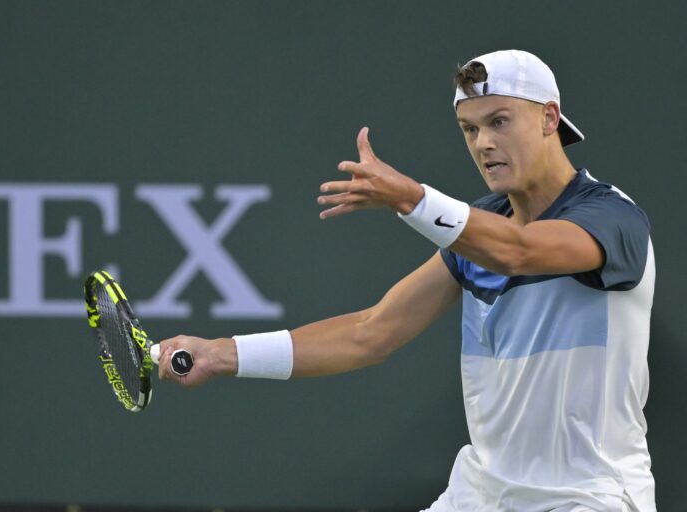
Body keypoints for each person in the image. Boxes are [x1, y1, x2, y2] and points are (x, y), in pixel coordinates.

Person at [156, 50, 656, 512]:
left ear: (549, 118)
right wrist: (221, 353)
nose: (484, 143)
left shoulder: (612, 219)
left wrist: (412, 199)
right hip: (480, 496)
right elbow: (369, 332)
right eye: (469, 128)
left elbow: (518, 251)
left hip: (589, 497)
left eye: (500, 122)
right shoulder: (477, 231)